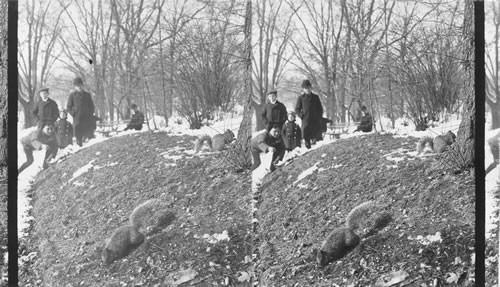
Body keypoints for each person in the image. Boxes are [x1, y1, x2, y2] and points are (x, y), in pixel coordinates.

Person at [295, 80, 324, 149]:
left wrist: (319, 116)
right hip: (306, 120)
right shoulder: (301, 98)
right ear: (303, 89)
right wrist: (302, 116)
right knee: (306, 136)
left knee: (316, 137)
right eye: (305, 88)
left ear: (311, 88)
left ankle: (315, 148)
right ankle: (307, 147)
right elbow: (297, 109)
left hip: (315, 120)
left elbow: (320, 108)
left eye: (308, 88)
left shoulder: (315, 97)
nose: (307, 89)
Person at [67, 77, 95, 146]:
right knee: (78, 136)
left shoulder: (87, 95)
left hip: (86, 119)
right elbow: (68, 107)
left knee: (88, 136)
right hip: (77, 119)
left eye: (80, 85)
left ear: (82, 85)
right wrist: (73, 113)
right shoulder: (72, 95)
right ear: (75, 87)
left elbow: (92, 106)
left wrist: (90, 114)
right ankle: (79, 147)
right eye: (77, 86)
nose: (79, 87)